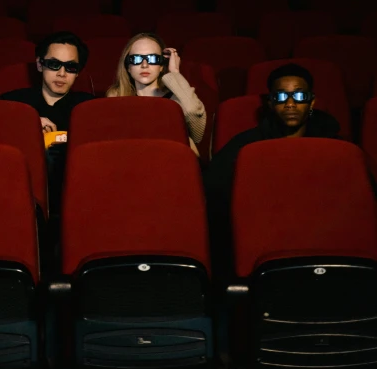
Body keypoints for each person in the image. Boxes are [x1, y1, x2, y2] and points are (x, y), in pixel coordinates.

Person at [203, 63, 341, 283]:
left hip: (320, 238)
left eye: (299, 95)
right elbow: (215, 196)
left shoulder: (334, 146)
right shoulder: (244, 146)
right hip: (262, 242)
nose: (290, 103)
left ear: (311, 102)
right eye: (280, 97)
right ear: (269, 103)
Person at [0, 31, 94, 214]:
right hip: (20, 192)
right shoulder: (12, 104)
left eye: (70, 67)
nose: (61, 73)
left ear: (78, 72)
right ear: (39, 64)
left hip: (75, 196)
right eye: (53, 64)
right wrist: (27, 126)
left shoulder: (88, 107)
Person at [107, 32, 206, 155]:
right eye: (137, 59)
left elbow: (197, 132)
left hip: (173, 160)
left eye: (152, 59)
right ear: (128, 66)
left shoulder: (178, 97)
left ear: (161, 66)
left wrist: (174, 72)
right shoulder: (117, 96)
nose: (144, 65)